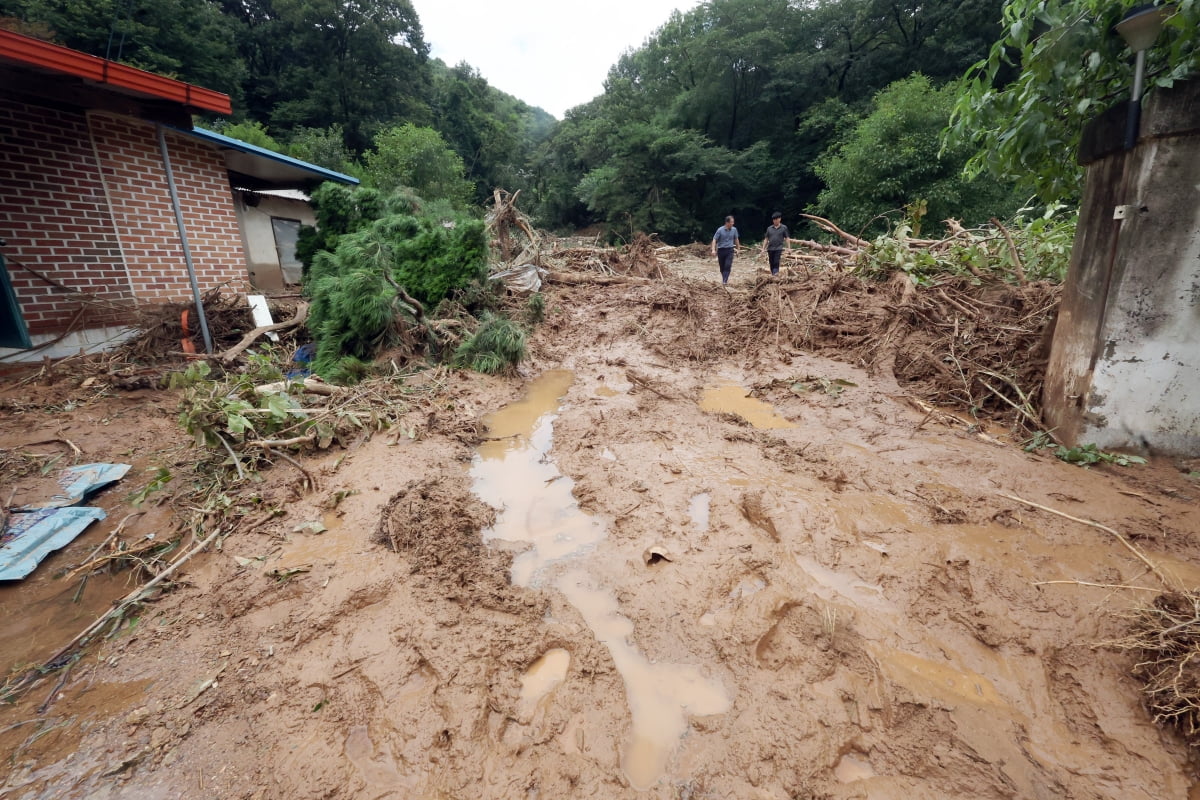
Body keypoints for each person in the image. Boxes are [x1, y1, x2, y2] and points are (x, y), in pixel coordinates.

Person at [711, 215, 740, 285]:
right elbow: (714, 240)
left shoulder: (734, 230)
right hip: (721, 250)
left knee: (728, 265)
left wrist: (738, 249)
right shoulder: (720, 230)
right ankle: (724, 278)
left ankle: (724, 281)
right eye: (731, 222)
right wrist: (713, 250)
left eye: (733, 222)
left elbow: (736, 239)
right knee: (722, 267)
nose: (733, 223)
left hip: (730, 250)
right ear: (727, 222)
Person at [760, 211, 790, 276]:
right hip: (770, 248)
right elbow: (766, 239)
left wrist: (789, 248)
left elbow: (787, 238)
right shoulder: (769, 228)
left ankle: (775, 274)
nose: (775, 221)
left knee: (776, 261)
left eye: (776, 219)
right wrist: (763, 249)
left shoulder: (784, 228)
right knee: (771, 263)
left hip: (778, 248)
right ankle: (773, 274)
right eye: (774, 219)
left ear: (779, 219)